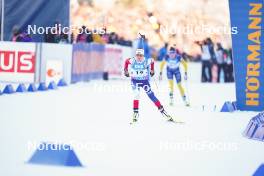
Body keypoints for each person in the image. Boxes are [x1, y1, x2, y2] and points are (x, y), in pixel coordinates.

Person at [124, 48, 174, 124]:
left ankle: (163, 112)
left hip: (144, 82)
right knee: (136, 95)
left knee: (151, 96)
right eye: (137, 55)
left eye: (140, 55)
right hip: (135, 81)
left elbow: (152, 61)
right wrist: (126, 70)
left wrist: (152, 70)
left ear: (143, 55)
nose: (139, 57)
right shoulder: (133, 60)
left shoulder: (146, 61)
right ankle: (135, 114)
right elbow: (126, 61)